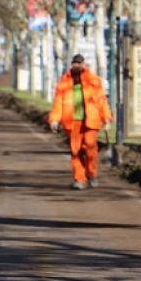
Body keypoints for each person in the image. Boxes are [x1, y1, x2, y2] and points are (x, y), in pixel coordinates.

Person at [48, 54, 112, 190]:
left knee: (90, 148)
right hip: (72, 123)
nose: (77, 66)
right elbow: (58, 103)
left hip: (91, 121)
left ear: (84, 65)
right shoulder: (63, 83)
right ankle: (79, 179)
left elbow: (102, 101)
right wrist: (54, 119)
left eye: (79, 63)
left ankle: (92, 174)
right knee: (75, 151)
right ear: (71, 65)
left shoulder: (93, 81)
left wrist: (106, 118)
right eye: (74, 63)